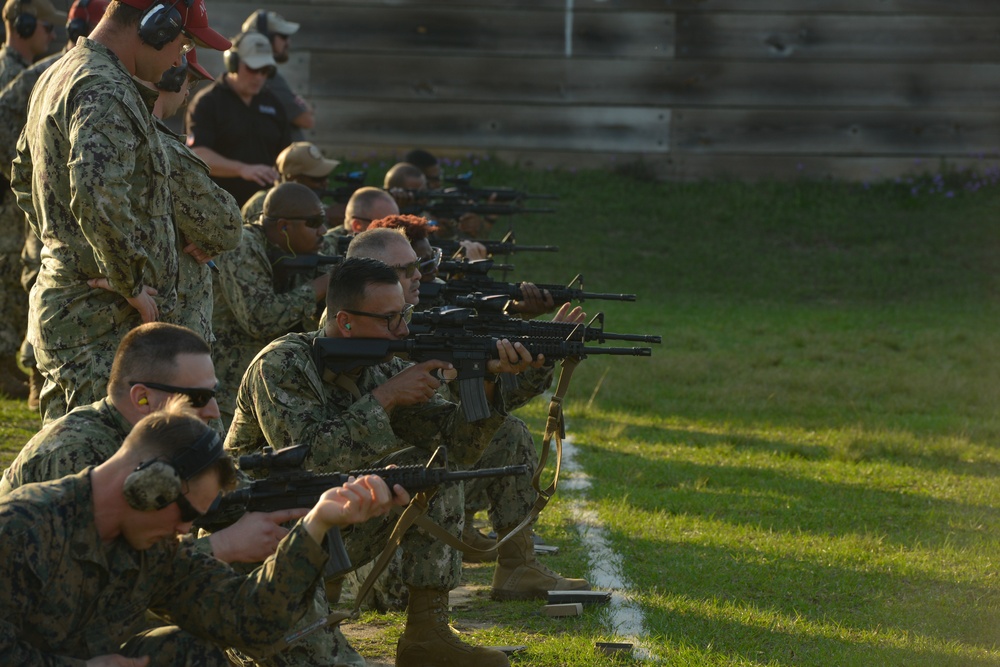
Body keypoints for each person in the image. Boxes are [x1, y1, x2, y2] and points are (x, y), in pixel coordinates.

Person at [227, 257, 537, 667]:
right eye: (390, 319)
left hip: (325, 526)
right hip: (256, 541)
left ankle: (427, 636)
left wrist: (490, 383)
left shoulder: (381, 365)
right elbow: (311, 456)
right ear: (346, 321)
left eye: (404, 315)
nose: (404, 330)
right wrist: (387, 396)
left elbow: (454, 446)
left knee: (430, 468)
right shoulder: (281, 365)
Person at [0, 396, 406, 665]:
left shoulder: (153, 547)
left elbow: (248, 621)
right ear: (144, 485)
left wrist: (316, 524)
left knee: (189, 651)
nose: (186, 528)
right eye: (185, 512)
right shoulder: (21, 527)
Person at [351, 217, 589, 610]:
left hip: (416, 491)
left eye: (425, 265)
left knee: (507, 434)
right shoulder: (331, 351)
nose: (422, 276)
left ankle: (517, 566)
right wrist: (389, 394)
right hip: (367, 511)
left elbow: (464, 431)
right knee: (396, 587)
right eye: (407, 270)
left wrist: (515, 366)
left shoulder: (423, 331)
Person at [9, 0, 231, 423]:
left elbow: (24, 175)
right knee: (107, 460)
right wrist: (126, 277)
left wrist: (71, 250)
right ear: (155, 28)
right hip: (101, 320)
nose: (178, 58)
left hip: (75, 310)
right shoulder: (104, 87)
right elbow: (98, 190)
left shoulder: (59, 74)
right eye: (181, 44)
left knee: (74, 460)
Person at [0, 321, 305, 565]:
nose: (212, 412)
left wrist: (318, 509)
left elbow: (237, 500)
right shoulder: (78, 453)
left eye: (213, 395)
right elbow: (100, 577)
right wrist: (222, 546)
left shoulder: (171, 443)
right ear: (142, 398)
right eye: (197, 398)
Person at [0, 0, 89, 403]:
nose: (52, 37)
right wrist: (32, 178)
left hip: (29, 198)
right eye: (47, 29)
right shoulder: (41, 73)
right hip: (19, 202)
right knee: (25, 274)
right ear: (24, 23)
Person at [212, 182, 329, 428]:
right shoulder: (242, 245)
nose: (323, 231)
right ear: (283, 226)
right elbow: (260, 319)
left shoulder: (303, 250)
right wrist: (321, 287)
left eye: (323, 221)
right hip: (228, 390)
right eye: (313, 223)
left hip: (272, 383)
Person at [150, 49, 243, 344]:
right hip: (172, 322)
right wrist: (210, 236)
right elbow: (227, 227)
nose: (188, 92)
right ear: (171, 78)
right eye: (189, 82)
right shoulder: (161, 145)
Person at [186, 30, 291, 207]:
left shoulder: (274, 104)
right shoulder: (208, 103)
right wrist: (242, 169)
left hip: (265, 210)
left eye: (266, 71)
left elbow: (287, 155)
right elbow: (197, 154)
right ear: (232, 63)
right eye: (252, 68)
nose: (259, 77)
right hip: (217, 207)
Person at [241, 9, 313, 141]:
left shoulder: (270, 76)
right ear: (265, 38)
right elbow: (306, 119)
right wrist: (302, 104)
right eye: (283, 36)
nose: (288, 42)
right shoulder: (269, 79)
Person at [241, 140, 340, 225]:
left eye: (326, 177)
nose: (326, 183)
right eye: (318, 179)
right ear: (293, 179)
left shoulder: (314, 205)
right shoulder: (261, 204)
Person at [0, 0, 62, 87]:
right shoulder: (11, 73)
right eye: (48, 27)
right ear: (26, 26)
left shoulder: (13, 66)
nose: (53, 36)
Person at [330, 186, 400, 247]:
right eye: (386, 227)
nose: (396, 233)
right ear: (358, 226)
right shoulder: (327, 250)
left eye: (397, 224)